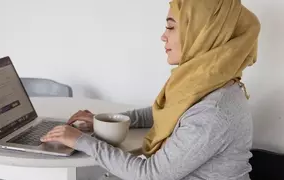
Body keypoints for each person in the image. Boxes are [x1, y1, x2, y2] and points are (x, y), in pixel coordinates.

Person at [41, 0, 261, 179]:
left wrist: (80, 140)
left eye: (171, 27)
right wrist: (105, 120)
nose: (163, 36)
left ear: (201, 35)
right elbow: (166, 113)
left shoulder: (213, 112)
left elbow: (150, 174)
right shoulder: (208, 84)